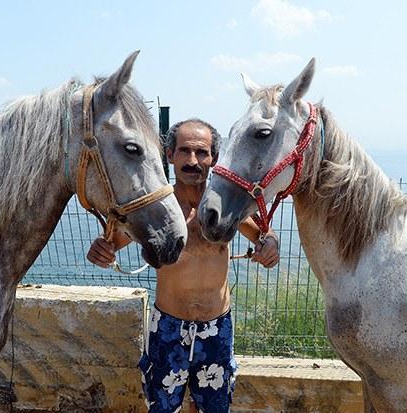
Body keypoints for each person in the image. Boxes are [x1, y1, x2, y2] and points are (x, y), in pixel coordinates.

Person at [86, 119, 279, 412]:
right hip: (168, 328)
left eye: (202, 153)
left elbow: (264, 234)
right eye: (184, 151)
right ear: (169, 155)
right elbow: (113, 242)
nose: (193, 161)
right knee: (162, 408)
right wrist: (102, 250)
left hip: (216, 330)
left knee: (215, 408)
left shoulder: (223, 207)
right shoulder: (157, 210)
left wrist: (270, 247)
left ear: (213, 157)